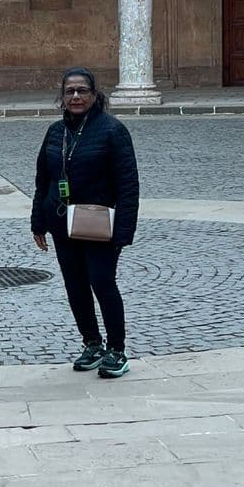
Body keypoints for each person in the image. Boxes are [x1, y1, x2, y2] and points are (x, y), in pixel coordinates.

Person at [31, 67, 140, 379]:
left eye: (82, 91)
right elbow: (43, 180)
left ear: (95, 95)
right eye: (70, 92)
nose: (76, 96)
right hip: (62, 222)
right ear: (62, 97)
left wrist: (122, 233)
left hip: (98, 224)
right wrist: (38, 220)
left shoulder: (113, 131)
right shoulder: (55, 132)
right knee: (75, 286)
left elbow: (128, 186)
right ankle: (92, 344)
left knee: (102, 282)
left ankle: (116, 350)